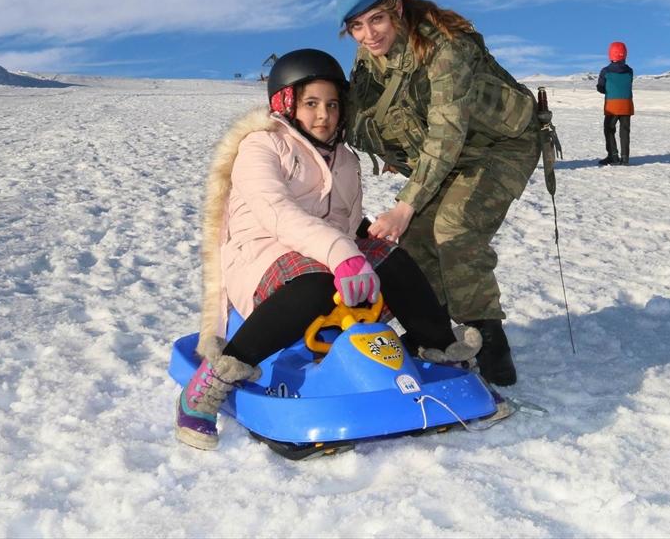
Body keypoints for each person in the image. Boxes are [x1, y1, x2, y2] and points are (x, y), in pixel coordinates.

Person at [178, 49, 483, 450]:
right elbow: (278, 214)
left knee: (392, 261)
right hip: (260, 255)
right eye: (311, 104)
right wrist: (343, 253)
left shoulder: (345, 160)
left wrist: (365, 241)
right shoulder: (261, 147)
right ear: (287, 105)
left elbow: (343, 221)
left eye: (332, 105)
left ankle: (446, 358)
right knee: (316, 283)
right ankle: (209, 385)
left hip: (325, 253)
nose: (323, 115)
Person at [336, 0, 541, 387]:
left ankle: (490, 348)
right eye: (357, 26)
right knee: (410, 245)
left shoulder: (444, 48)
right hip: (449, 156)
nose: (369, 34)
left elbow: (446, 133)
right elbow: (354, 110)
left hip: (500, 147)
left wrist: (405, 204)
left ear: (394, 7)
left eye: (376, 19)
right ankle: (437, 337)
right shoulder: (370, 56)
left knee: (453, 229)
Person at [596, 41, 634, 166]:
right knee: (624, 131)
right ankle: (625, 157)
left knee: (609, 130)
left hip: (612, 106)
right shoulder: (629, 71)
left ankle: (613, 156)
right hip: (626, 105)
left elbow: (601, 88)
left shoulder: (605, 71)